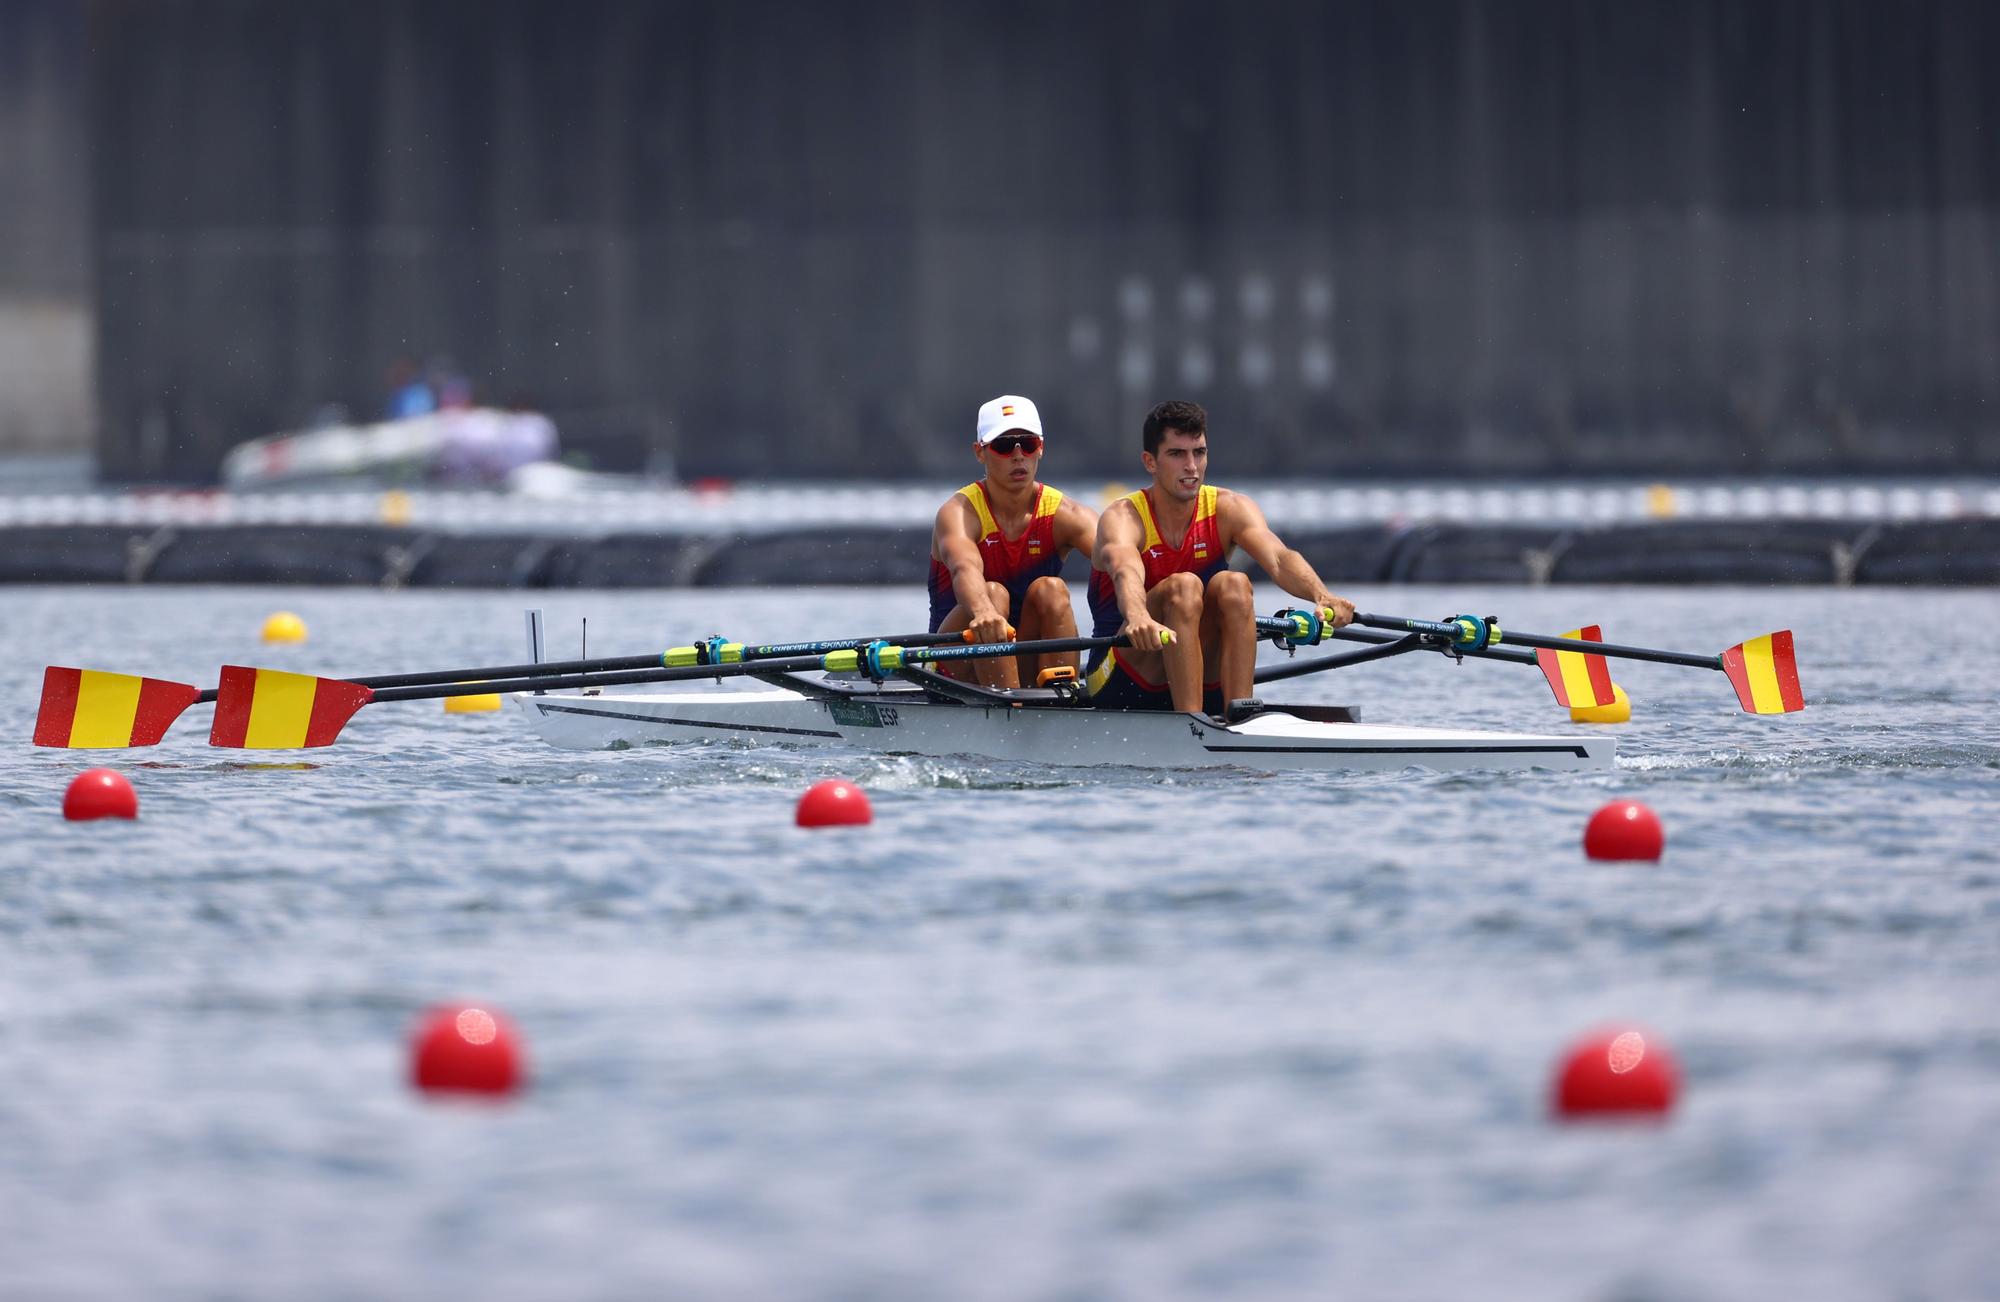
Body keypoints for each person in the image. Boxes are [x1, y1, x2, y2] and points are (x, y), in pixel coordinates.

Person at [1087, 398, 1356, 715]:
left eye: (1199, 452)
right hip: (1121, 678)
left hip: (1201, 675)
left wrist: (1322, 596)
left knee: (1235, 584)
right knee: (1183, 588)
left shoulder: (1228, 508)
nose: (1191, 466)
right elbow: (1125, 572)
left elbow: (1279, 558)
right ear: (1150, 462)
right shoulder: (1123, 517)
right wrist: (1137, 616)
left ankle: (1241, 714)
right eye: (1177, 454)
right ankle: (1193, 725)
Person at [928, 395, 1099, 689]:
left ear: (1041, 448)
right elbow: (964, 568)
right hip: (955, 662)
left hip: (1021, 657)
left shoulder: (1065, 514)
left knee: (1052, 590)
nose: (1019, 456)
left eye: (1028, 444)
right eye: (1005, 446)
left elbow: (1125, 561)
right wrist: (983, 613)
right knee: (993, 594)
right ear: (980, 452)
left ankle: (1058, 700)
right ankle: (1012, 708)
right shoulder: (959, 513)